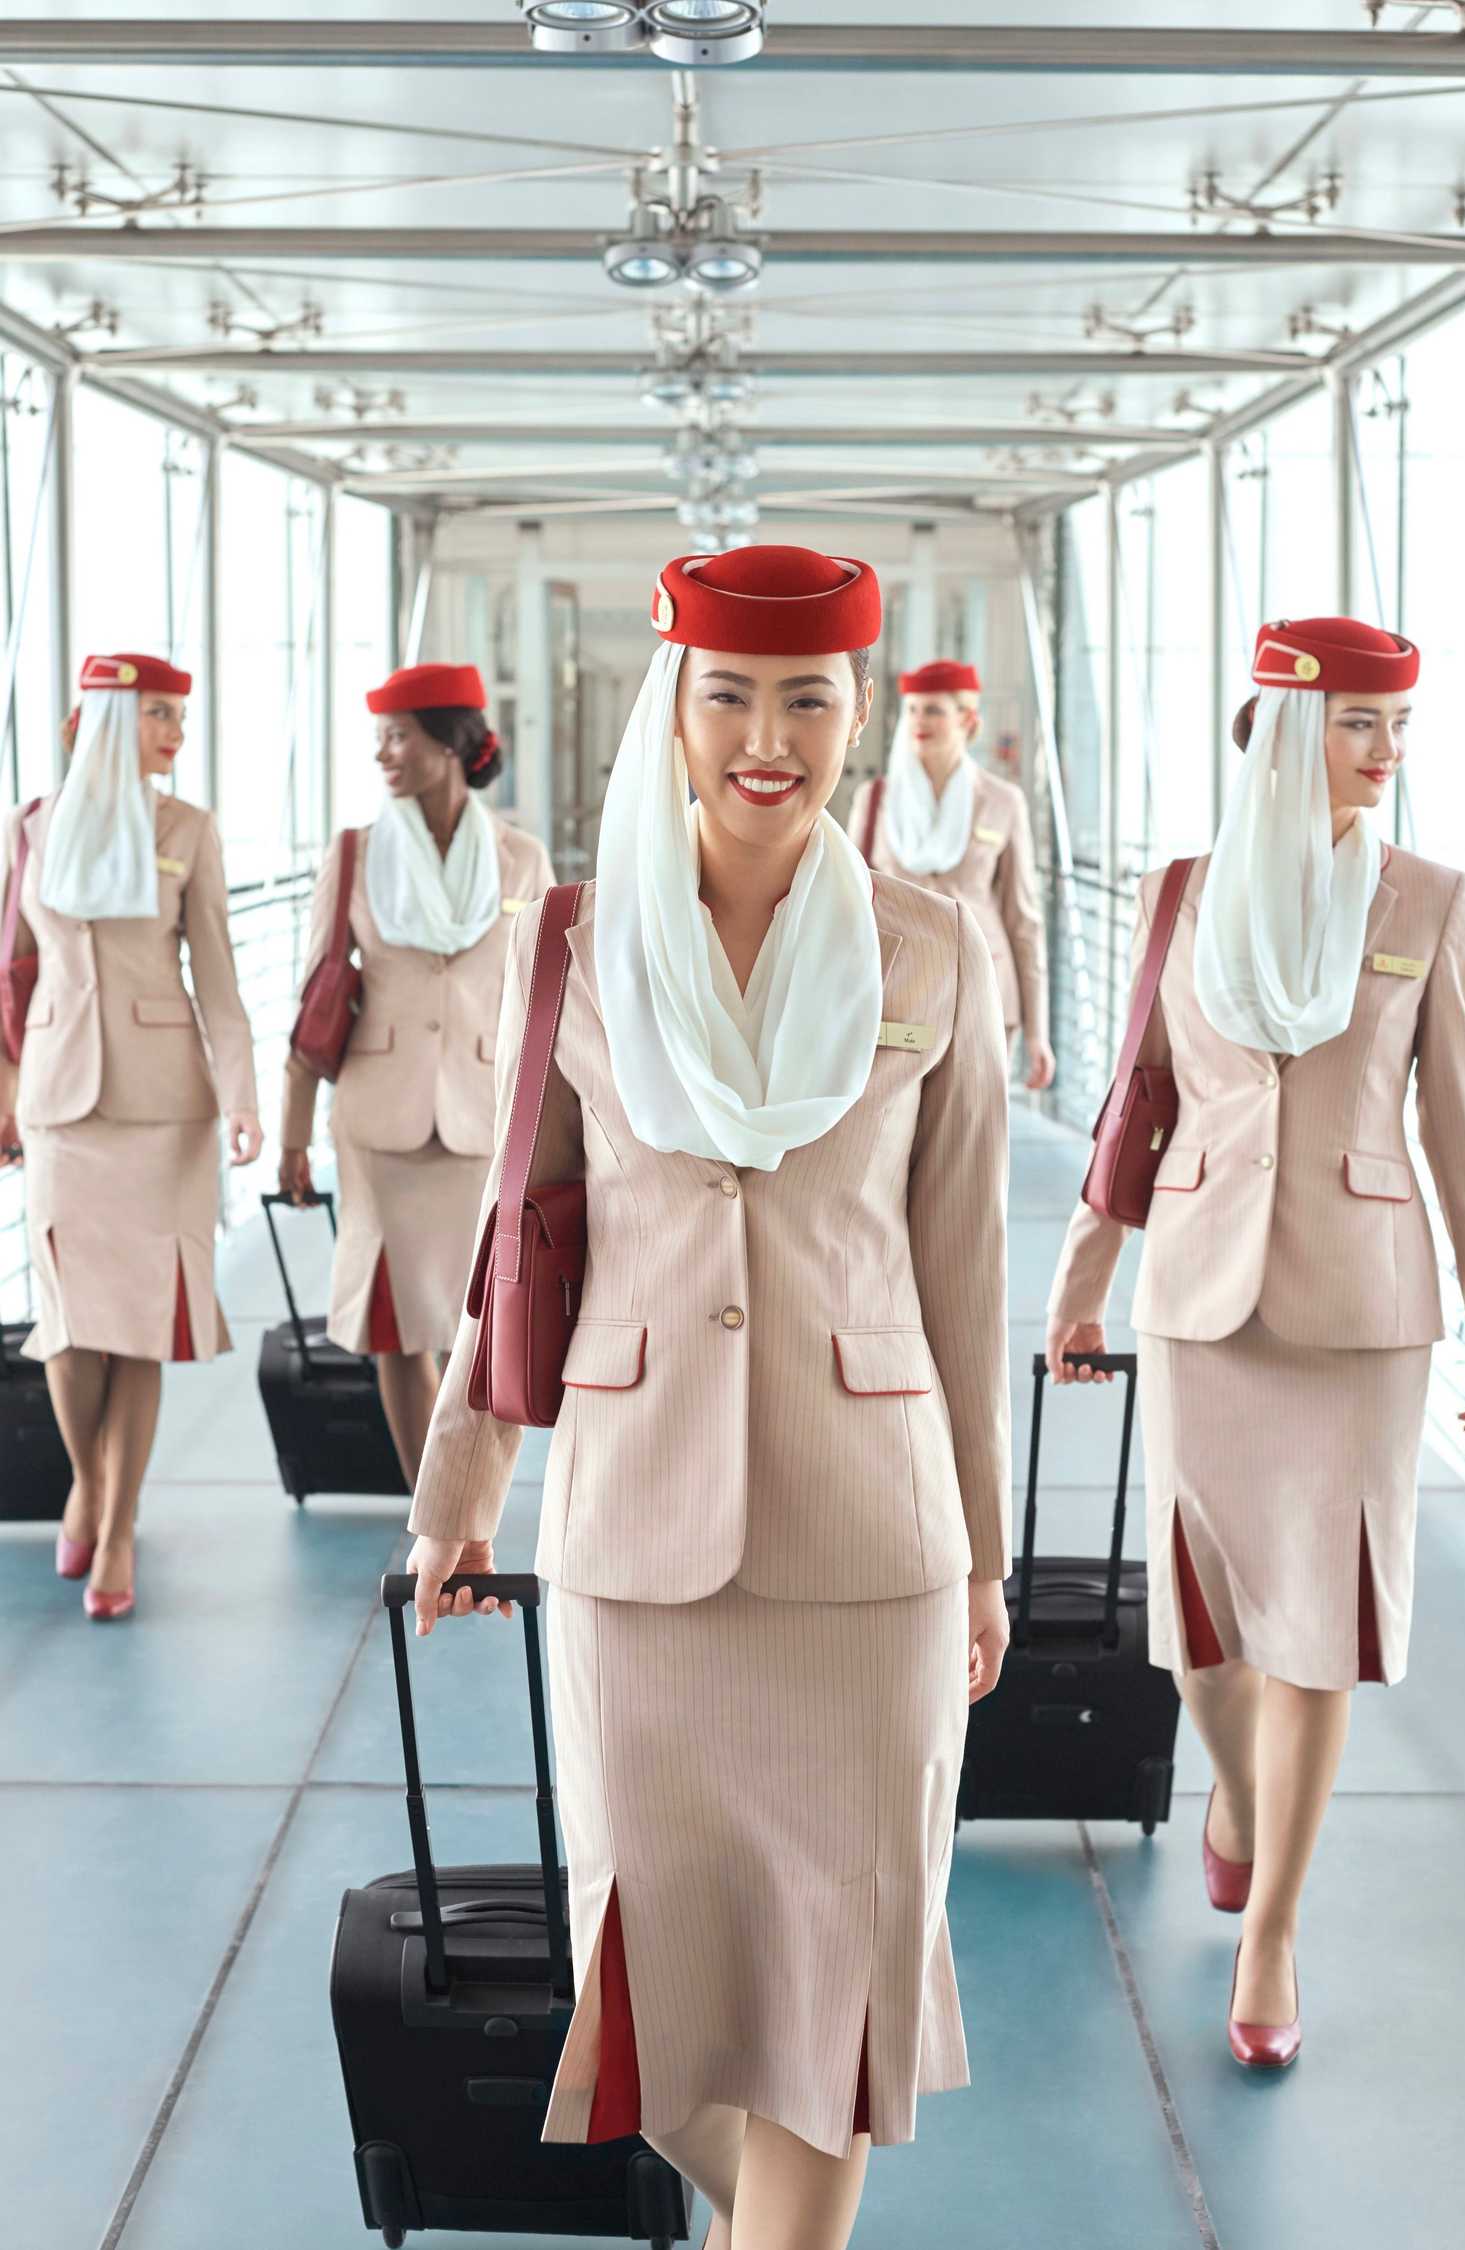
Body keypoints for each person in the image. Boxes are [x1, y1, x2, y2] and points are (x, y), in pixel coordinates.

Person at [403, 545, 1012, 2250]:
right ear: (671, 711)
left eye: (808, 698)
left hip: (870, 1541)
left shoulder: (933, 946)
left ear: (859, 714)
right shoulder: (574, 946)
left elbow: (963, 1278)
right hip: (637, 1532)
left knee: (838, 2002)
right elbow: (515, 1238)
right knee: (658, 2025)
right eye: (729, 693)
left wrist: (984, 1549)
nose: (768, 735)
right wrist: (460, 1490)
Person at [1045, 615, 1465, 2068]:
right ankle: (1233, 1797)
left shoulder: (1430, 901)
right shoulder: (1182, 898)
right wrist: (1076, 1286)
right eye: (1363, 723)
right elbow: (1134, 1109)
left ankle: (1275, 1930)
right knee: (1203, 1633)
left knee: (1323, 1637)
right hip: (1200, 1301)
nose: (1388, 751)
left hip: (1363, 1315)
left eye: (1400, 725)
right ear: (1294, 730)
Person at [0, 652, 262, 1620]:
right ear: (107, 718)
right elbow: (11, 968)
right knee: (69, 1328)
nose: (174, 734)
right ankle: (91, 1478)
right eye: (158, 714)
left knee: (143, 1327)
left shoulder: (187, 829)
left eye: (179, 718)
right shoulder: (32, 826)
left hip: (166, 1110)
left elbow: (221, 981)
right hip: (60, 1101)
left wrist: (243, 1100)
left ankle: (118, 1525)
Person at [278, 663, 554, 1486]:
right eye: (380, 740)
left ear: (449, 744)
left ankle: (466, 1500)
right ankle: (432, 1503)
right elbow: (315, 994)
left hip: (486, 1117)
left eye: (399, 736)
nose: (385, 755)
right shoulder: (356, 854)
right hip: (379, 1118)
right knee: (398, 1328)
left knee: (478, 1325)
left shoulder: (519, 858)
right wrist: (291, 1136)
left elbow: (549, 1001)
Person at [848, 659, 1055, 1090]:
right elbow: (848, 903)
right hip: (900, 990)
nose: (920, 721)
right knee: (895, 1124)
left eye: (934, 710)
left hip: (988, 989)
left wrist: (1039, 1031)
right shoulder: (876, 799)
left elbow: (1024, 921)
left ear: (967, 719)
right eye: (913, 710)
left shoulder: (1003, 801)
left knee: (976, 1134)